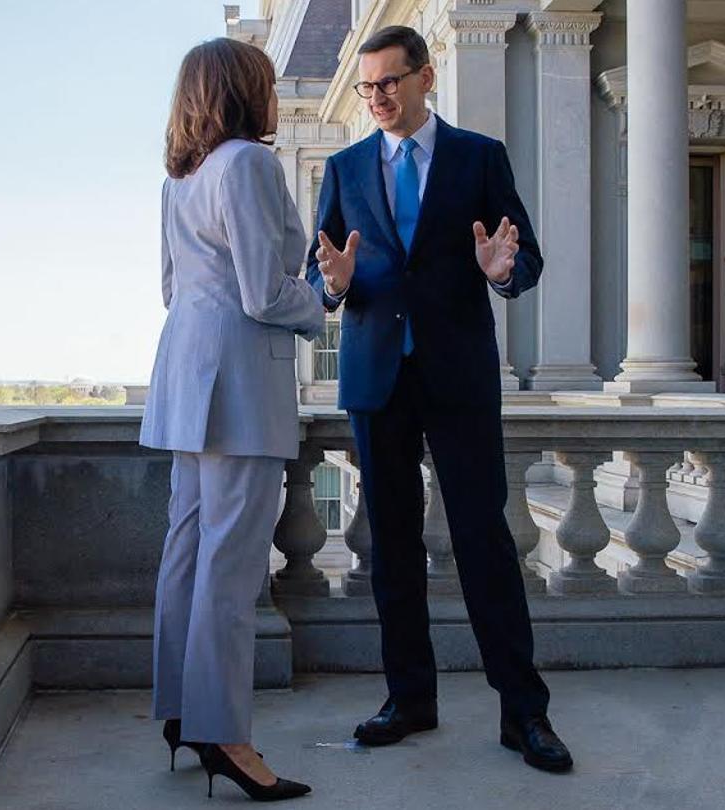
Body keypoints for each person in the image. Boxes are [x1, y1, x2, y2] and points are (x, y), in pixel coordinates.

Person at [304, 25, 572, 773]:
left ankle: (524, 713)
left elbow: (526, 261)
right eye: (367, 87)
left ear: (425, 79)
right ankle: (409, 698)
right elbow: (320, 272)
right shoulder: (346, 165)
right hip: (376, 378)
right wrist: (333, 282)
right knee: (390, 546)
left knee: (485, 541)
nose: (378, 98)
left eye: (390, 82)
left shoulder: (479, 157)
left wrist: (499, 271)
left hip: (456, 376)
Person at [139, 36, 324, 802]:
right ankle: (227, 736)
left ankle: (184, 713)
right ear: (245, 91)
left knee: (188, 551)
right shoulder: (247, 163)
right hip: (240, 385)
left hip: (185, 377)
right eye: (266, 82)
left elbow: (171, 290)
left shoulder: (177, 181)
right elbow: (261, 293)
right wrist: (324, 297)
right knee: (232, 567)